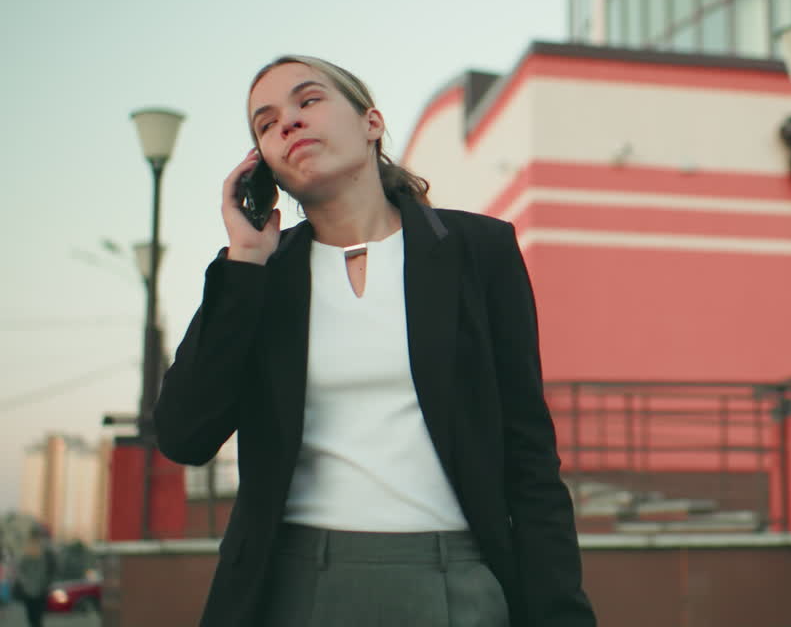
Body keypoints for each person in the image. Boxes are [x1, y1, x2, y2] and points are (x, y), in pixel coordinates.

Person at [154, 55, 596, 627]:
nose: (286, 122)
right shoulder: (260, 274)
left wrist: (561, 613)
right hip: (292, 584)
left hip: (454, 580)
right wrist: (244, 263)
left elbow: (530, 456)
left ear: (371, 123)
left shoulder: (478, 251)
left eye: (307, 101)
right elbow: (185, 435)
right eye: (265, 124)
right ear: (260, 166)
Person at [14, 528, 55, 627]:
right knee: (36, 618)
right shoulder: (44, 551)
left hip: (33, 590)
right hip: (38, 590)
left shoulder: (30, 550)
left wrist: (24, 582)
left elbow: (20, 570)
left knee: (33, 618)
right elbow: (20, 570)